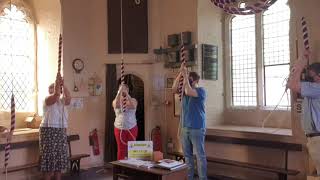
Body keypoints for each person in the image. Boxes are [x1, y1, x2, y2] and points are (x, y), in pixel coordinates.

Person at [287, 51, 320, 175]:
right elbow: (293, 87)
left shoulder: (317, 89)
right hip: (315, 138)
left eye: (310, 76)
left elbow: (292, 84)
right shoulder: (312, 91)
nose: (308, 79)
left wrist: (300, 64)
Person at [172, 65, 207, 180]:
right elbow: (173, 89)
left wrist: (186, 76)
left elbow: (188, 90)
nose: (190, 80)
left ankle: (202, 178)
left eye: (192, 79)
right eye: (189, 78)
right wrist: (180, 74)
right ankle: (189, 178)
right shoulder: (184, 92)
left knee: (200, 156)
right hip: (185, 128)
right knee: (187, 156)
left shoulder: (200, 91)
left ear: (196, 80)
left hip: (197, 128)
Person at [39, 73, 71, 180]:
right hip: (49, 131)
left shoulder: (62, 101)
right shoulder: (47, 99)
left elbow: (69, 98)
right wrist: (58, 83)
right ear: (49, 90)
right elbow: (55, 95)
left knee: (59, 163)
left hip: (61, 131)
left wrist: (63, 84)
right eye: (51, 87)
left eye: (55, 87)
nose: (54, 89)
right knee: (49, 163)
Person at [113, 84, 138, 160]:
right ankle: (120, 167)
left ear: (128, 91)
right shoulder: (116, 100)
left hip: (132, 127)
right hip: (119, 128)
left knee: (132, 149)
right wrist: (119, 93)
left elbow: (133, 106)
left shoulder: (133, 100)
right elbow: (116, 106)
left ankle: (132, 167)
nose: (123, 92)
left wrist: (127, 95)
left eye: (125, 90)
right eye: (121, 90)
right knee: (121, 149)